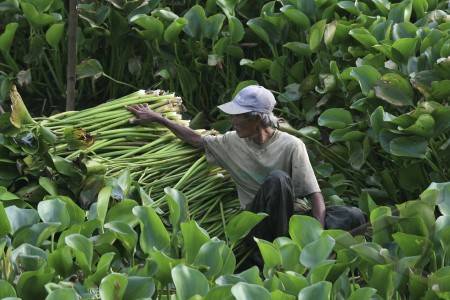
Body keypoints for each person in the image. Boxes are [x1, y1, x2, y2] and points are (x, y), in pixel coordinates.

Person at [127, 85, 327, 243]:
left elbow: (315, 196)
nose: (232, 120)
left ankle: (293, 243)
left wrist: (317, 239)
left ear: (256, 118)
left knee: (349, 215)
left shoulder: (291, 145)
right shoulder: (231, 141)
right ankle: (279, 248)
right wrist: (159, 118)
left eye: (238, 116)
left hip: (290, 217)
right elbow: (197, 140)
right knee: (278, 179)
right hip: (258, 226)